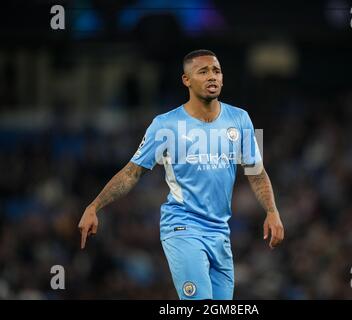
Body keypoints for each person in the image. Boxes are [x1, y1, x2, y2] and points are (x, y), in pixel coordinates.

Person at [78, 49, 284, 300]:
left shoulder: (241, 119)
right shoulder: (165, 124)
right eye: (203, 71)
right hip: (183, 227)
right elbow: (132, 172)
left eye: (216, 71)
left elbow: (257, 172)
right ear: (186, 80)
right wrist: (94, 206)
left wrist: (272, 211)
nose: (212, 77)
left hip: (220, 231)